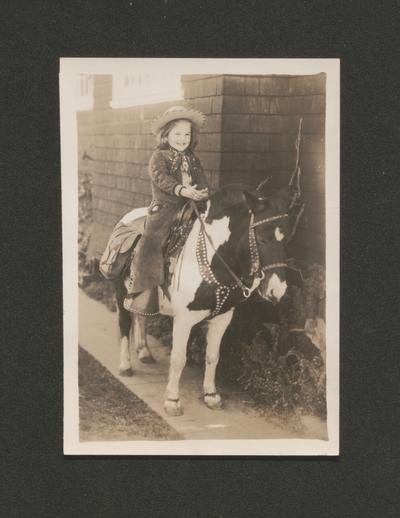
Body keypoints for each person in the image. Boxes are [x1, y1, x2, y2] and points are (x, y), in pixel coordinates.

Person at [124, 105, 209, 313]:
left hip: (193, 205)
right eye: (177, 133)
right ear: (166, 135)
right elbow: (161, 179)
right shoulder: (159, 157)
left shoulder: (193, 159)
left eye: (187, 134)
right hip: (166, 207)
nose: (182, 138)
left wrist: (203, 193)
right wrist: (182, 190)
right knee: (152, 240)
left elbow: (202, 181)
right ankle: (145, 291)